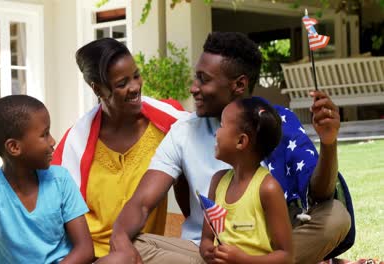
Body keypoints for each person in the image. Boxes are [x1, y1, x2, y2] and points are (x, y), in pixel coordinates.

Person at [110, 32, 351, 264]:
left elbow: (319, 194)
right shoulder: (183, 131)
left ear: (239, 84)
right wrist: (120, 241)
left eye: (204, 79)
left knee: (336, 217)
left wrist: (329, 142)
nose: (194, 88)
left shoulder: (277, 125)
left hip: (268, 247)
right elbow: (142, 203)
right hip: (206, 254)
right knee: (135, 243)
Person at [51, 38, 188, 260]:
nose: (135, 87)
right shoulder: (75, 143)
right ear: (97, 88)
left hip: (143, 250)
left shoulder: (167, 125)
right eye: (122, 83)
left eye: (136, 75)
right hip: (88, 255)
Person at [0, 95, 94, 264]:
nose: (53, 141)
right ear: (14, 147)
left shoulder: (61, 179)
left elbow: (85, 249)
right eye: (44, 134)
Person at [200, 97, 292, 263]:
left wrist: (243, 260)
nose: (216, 132)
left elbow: (286, 256)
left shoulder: (267, 188)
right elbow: (207, 238)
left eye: (221, 126)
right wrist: (208, 250)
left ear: (241, 141)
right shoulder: (218, 181)